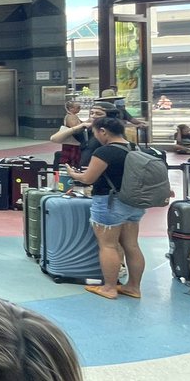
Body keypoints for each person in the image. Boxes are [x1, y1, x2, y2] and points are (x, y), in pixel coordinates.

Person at [63, 116, 145, 301]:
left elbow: (88, 179)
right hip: (134, 203)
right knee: (131, 245)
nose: (95, 137)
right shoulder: (135, 147)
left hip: (110, 202)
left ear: (103, 131)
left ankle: (109, 288)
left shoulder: (105, 152)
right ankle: (133, 287)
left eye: (95, 133)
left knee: (108, 245)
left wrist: (73, 174)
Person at [49, 102, 118, 171]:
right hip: (85, 171)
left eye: (98, 114)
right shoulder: (86, 130)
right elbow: (54, 138)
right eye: (91, 113)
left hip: (102, 172)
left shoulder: (115, 132)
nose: (93, 116)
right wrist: (79, 126)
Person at [58, 101, 84, 168]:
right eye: (78, 107)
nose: (79, 109)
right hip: (72, 142)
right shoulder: (71, 116)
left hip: (71, 141)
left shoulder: (72, 116)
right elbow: (74, 127)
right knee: (72, 158)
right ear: (71, 108)